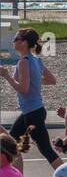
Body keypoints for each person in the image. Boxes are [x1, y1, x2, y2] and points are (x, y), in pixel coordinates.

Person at [1, 28, 60, 167]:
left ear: (24, 43)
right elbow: (52, 80)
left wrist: (6, 75)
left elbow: (23, 89)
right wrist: (35, 80)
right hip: (33, 111)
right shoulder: (35, 60)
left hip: (33, 113)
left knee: (46, 150)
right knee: (12, 144)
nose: (13, 41)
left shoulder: (24, 62)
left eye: (16, 39)